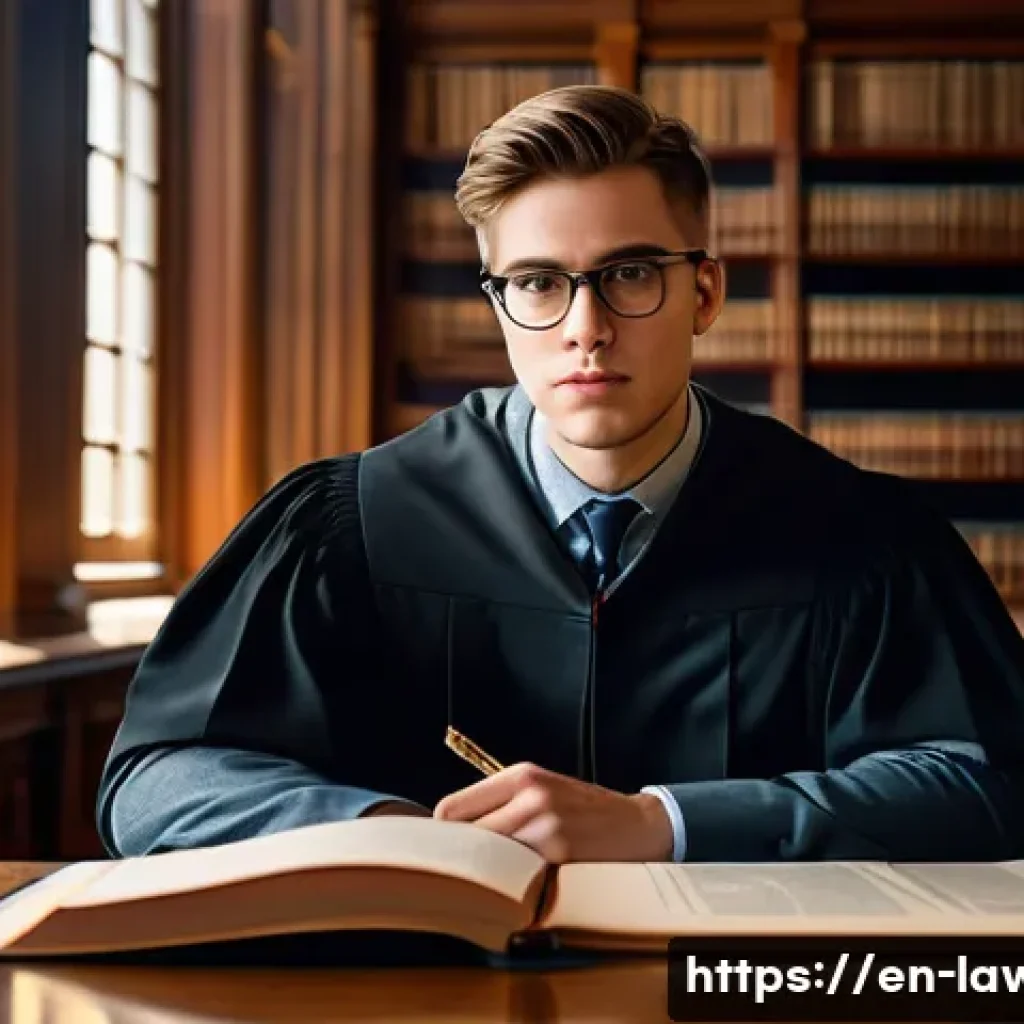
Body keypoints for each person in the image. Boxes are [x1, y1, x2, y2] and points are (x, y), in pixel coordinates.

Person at [97, 85, 1024, 864]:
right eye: (538, 282)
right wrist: (388, 838)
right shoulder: (352, 524)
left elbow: (987, 782)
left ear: (704, 290)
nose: (584, 325)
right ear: (499, 302)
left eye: (627, 273)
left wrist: (660, 825)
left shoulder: (855, 536)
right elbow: (161, 777)